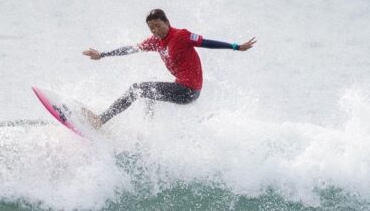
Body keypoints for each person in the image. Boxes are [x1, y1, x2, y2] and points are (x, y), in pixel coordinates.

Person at [82, 9, 256, 128]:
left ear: (167, 22)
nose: (155, 30)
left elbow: (207, 43)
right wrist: (103, 54)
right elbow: (131, 49)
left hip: (189, 90)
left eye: (158, 25)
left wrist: (236, 46)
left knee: (137, 89)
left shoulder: (182, 35)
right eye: (151, 28)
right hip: (181, 87)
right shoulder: (155, 41)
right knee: (148, 94)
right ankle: (148, 133)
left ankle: (100, 120)